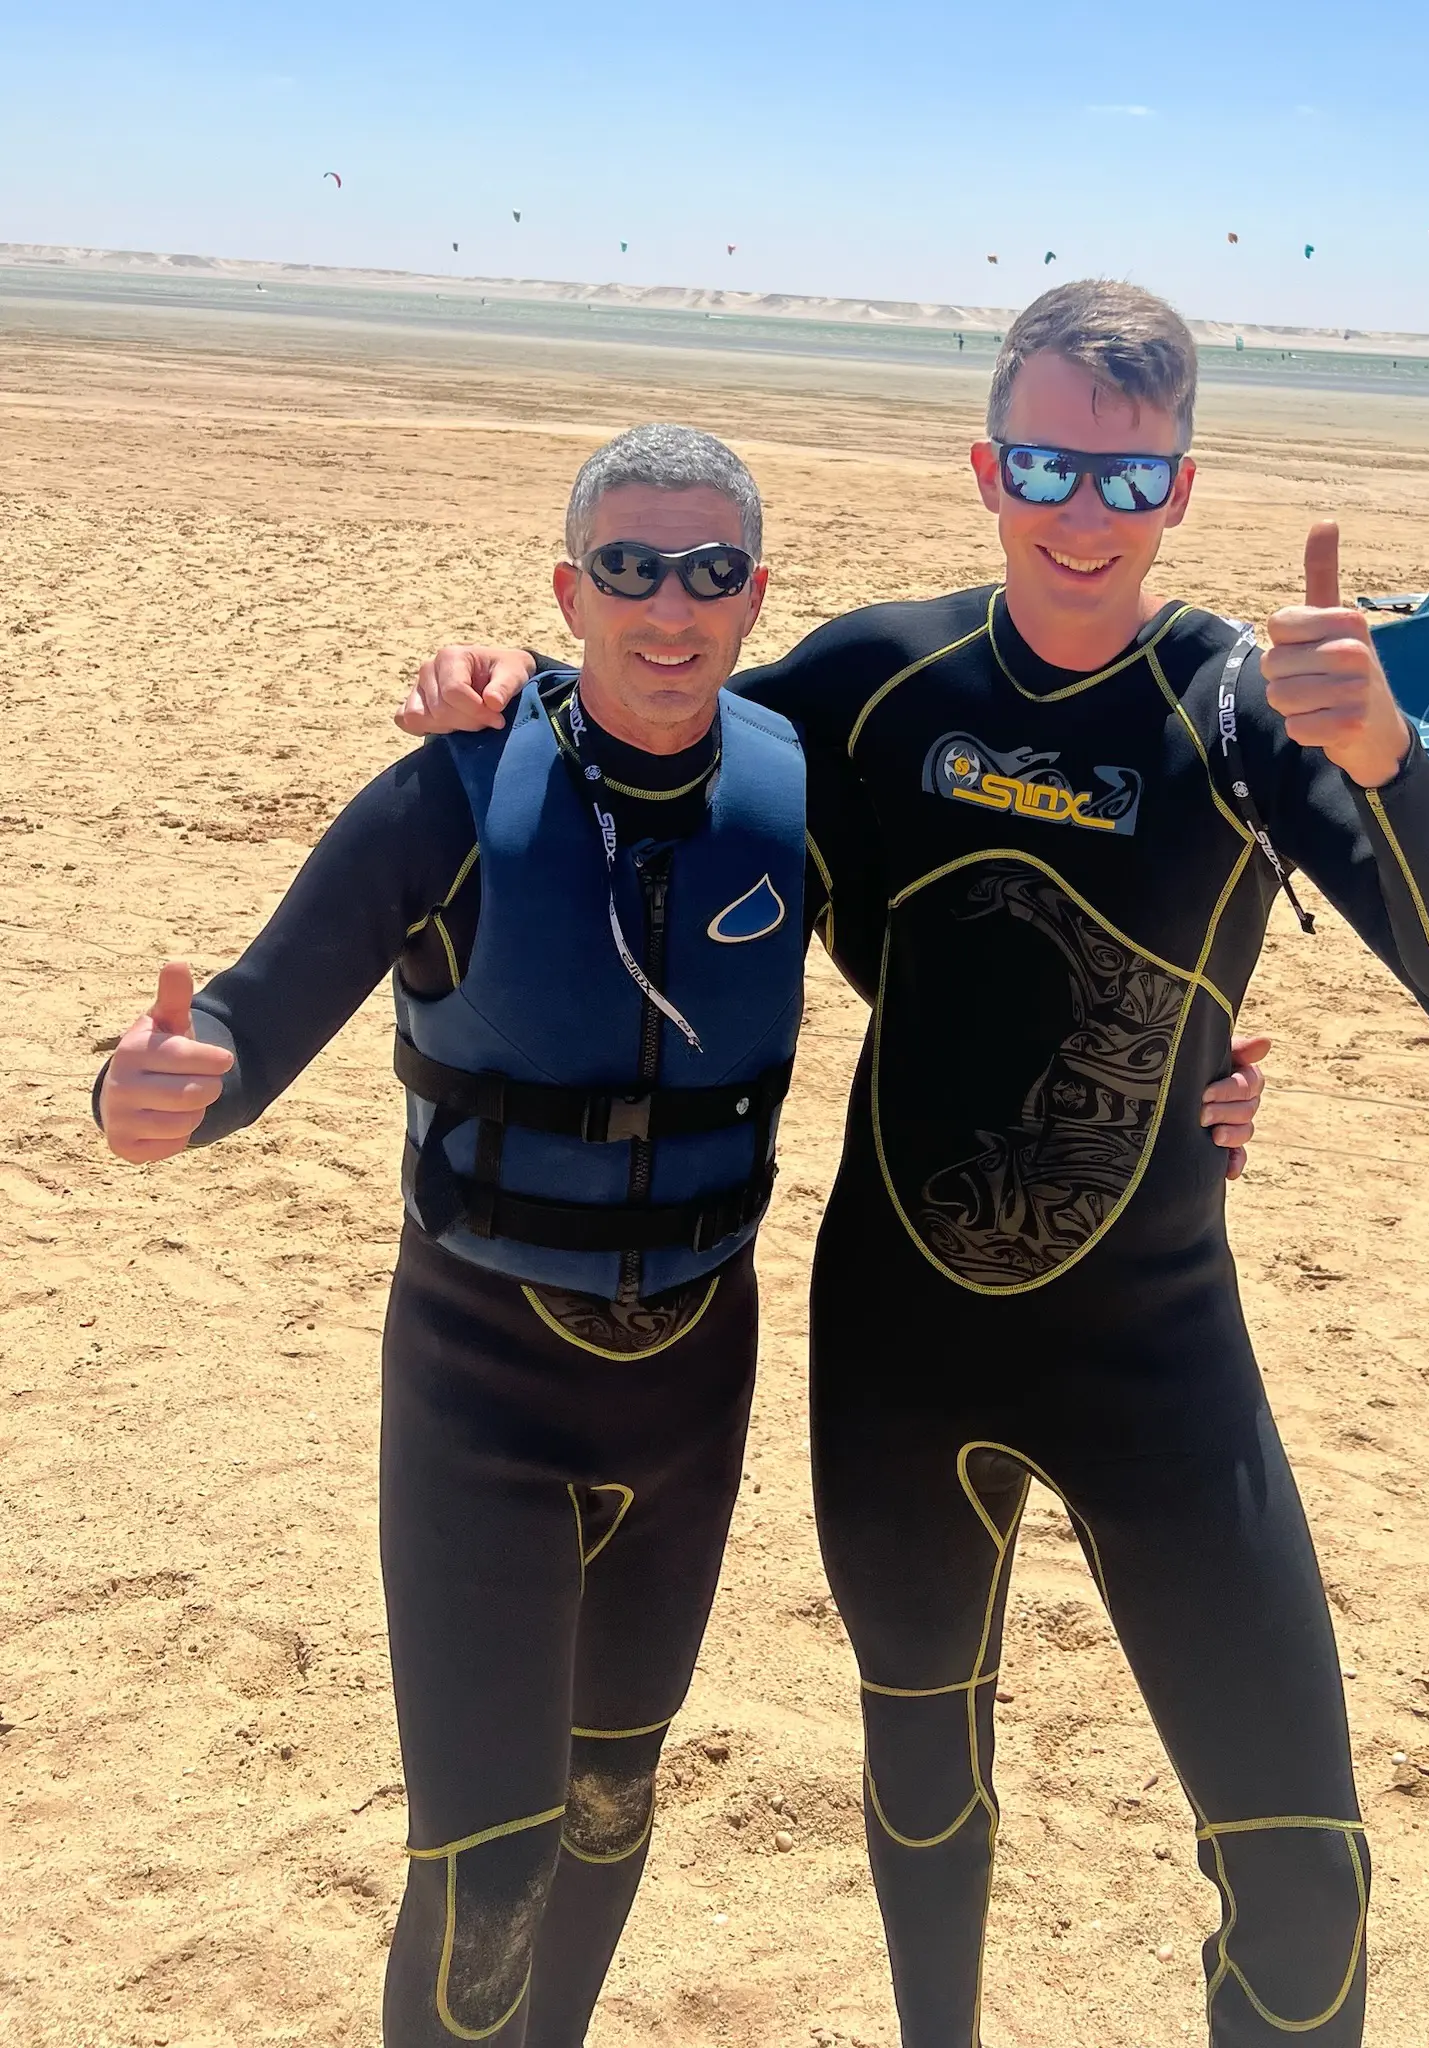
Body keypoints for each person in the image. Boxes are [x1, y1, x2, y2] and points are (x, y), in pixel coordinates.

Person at [403, 279, 1429, 2048]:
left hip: (1162, 1355)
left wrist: (1386, 755)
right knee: (925, 1793)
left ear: (1180, 487)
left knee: (1307, 1880)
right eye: (1045, 465)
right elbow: (645, 742)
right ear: (985, 467)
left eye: (1125, 476)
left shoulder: (1249, 708)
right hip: (897, 1354)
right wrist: (508, 680)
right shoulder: (874, 686)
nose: (1080, 514)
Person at [92, 421, 1265, 2048]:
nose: (669, 607)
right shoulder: (452, 785)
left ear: (753, 592)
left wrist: (1180, 1084)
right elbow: (244, 1010)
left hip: (687, 1390)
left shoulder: (788, 786)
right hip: (478, 1380)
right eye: (630, 569)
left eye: (708, 572)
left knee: (608, 1798)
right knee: (484, 1856)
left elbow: (972, 983)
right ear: (570, 588)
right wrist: (164, 1082)